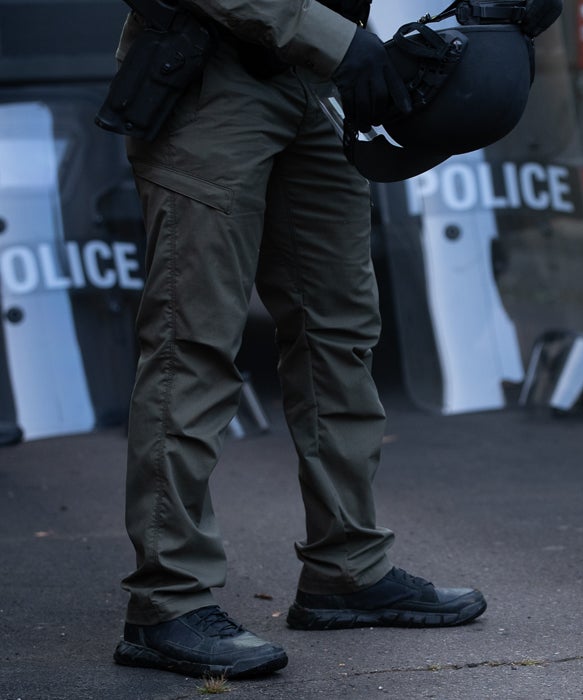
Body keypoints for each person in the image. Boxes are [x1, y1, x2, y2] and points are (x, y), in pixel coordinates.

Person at [110, 0, 487, 680]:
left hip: (324, 81)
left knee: (338, 334)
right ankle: (166, 604)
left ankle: (347, 568)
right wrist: (339, 39)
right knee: (190, 344)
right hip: (213, 78)